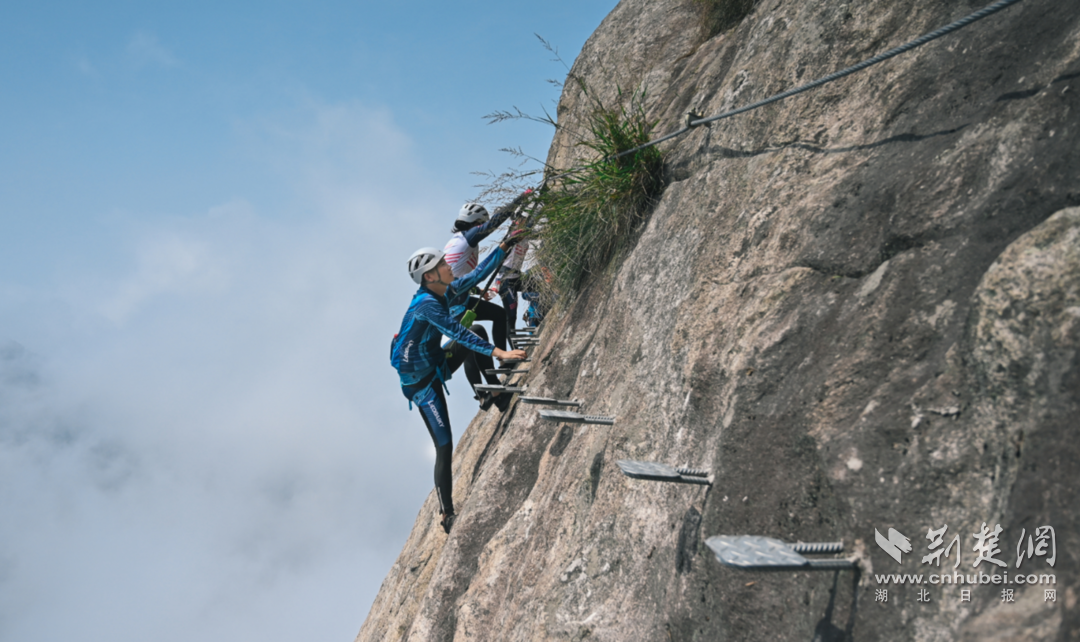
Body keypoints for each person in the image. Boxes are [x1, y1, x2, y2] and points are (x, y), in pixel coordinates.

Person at [390, 240, 527, 534]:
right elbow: (456, 332)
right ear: (429, 276)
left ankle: (493, 393)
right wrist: (500, 353)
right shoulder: (426, 304)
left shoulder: (445, 290)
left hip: (436, 363)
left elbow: (477, 275)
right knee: (444, 445)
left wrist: (506, 245)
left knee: (476, 328)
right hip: (422, 385)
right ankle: (446, 514)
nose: (448, 265)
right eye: (442, 264)